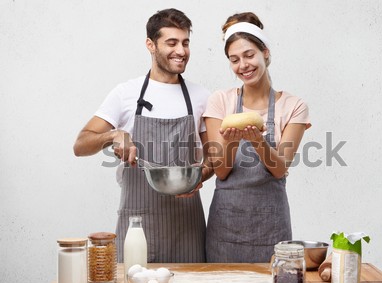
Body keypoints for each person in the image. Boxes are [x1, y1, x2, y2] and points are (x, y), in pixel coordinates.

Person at [73, 8, 212, 263]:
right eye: (172, 43)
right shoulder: (126, 93)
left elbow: (213, 158)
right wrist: (114, 135)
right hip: (138, 222)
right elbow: (80, 144)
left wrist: (199, 177)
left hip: (187, 224)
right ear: (150, 44)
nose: (181, 51)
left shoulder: (201, 97)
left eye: (185, 43)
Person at [203, 12, 311, 263]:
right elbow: (220, 171)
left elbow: (280, 168)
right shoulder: (220, 101)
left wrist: (257, 141)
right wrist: (231, 141)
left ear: (265, 52)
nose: (243, 65)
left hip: (270, 226)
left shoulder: (294, 106)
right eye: (234, 59)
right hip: (225, 227)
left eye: (249, 55)